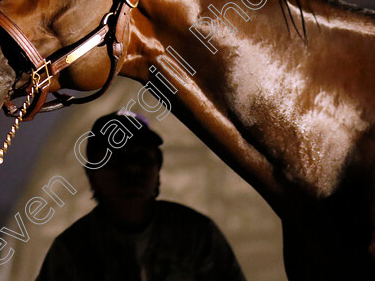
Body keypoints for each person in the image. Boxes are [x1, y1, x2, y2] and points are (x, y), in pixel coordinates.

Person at [36, 110, 247, 281]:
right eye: (117, 159)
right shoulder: (71, 250)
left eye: (142, 158)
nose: (132, 170)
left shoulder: (197, 235)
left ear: (158, 170)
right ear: (93, 176)